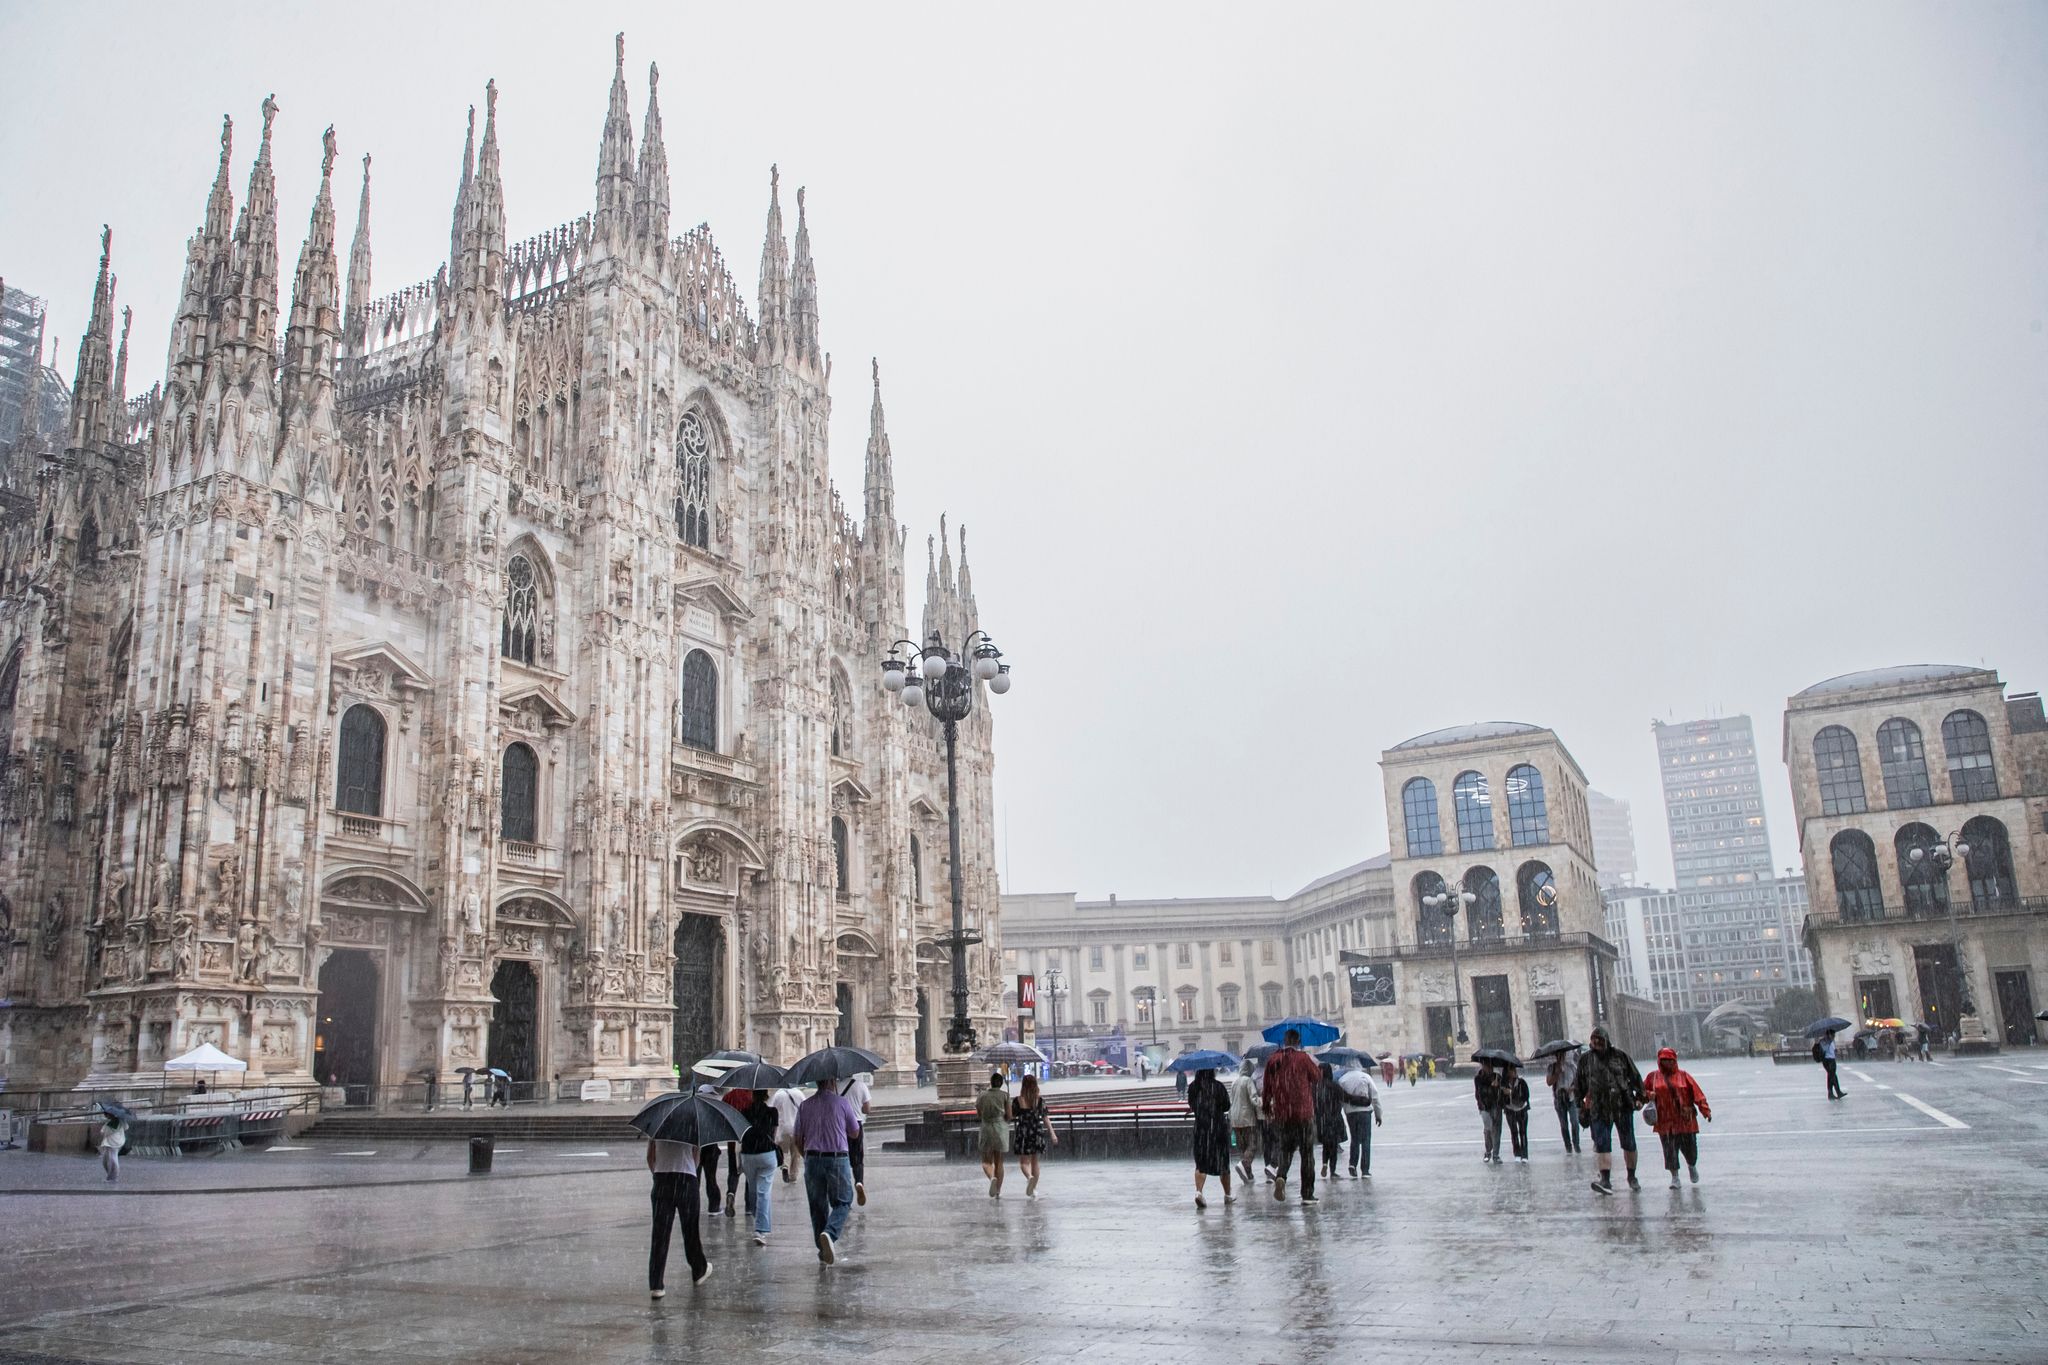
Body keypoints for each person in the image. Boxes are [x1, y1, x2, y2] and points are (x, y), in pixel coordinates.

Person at [794, 1077, 860, 1265]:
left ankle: (822, 1251)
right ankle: (829, 1234)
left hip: (812, 1158)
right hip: (837, 1158)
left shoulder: (805, 1105)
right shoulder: (842, 1102)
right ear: (831, 1081)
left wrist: (807, 1155)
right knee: (843, 1201)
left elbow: (797, 1137)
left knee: (817, 1206)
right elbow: (855, 1132)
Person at [1575, 1024, 1645, 1195]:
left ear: (1606, 1041)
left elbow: (1635, 1077)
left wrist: (1640, 1098)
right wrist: (1581, 1106)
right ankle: (1605, 1180)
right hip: (1599, 1108)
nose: (1596, 1044)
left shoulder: (1620, 1057)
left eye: (1600, 1041)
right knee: (1602, 1144)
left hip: (1622, 1105)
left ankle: (1632, 1177)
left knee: (1629, 1143)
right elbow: (1579, 1085)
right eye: (1594, 1041)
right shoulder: (1586, 1060)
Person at [1261, 1028, 1322, 1204]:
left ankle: (1281, 1176)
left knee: (1286, 1150)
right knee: (1307, 1153)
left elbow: (1267, 1086)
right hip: (1303, 1112)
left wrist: (1267, 1105)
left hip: (1282, 1112)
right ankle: (1307, 1194)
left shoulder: (1273, 1059)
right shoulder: (1303, 1058)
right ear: (1297, 1041)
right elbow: (1317, 1077)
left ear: (1285, 1040)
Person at [646, 1135, 711, 1297]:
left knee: (660, 1235)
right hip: (686, 1179)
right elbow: (696, 1157)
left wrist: (659, 1174)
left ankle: (656, 1284)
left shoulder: (659, 1126)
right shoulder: (692, 1126)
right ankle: (698, 1270)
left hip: (662, 1179)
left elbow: (650, 1157)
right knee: (690, 1231)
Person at [1642, 1047, 1712, 1187]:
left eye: (1670, 1060)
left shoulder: (1684, 1076)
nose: (1667, 1063)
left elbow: (1697, 1094)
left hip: (1685, 1121)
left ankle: (1691, 1166)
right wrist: (1648, 1095)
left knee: (1690, 1149)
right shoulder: (1653, 1077)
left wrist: (1705, 1110)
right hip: (1665, 1122)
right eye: (1664, 1060)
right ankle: (1675, 1177)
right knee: (1669, 1151)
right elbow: (1642, 1092)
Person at [1187, 1065, 1234, 1208]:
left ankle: (1199, 1192)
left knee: (1201, 1163)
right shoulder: (1218, 1086)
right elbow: (1226, 1106)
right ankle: (1227, 1195)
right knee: (1223, 1163)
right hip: (1218, 1128)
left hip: (1201, 1128)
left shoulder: (1193, 1087)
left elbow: (1192, 1105)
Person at [737, 1089, 780, 1245]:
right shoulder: (772, 1112)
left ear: (752, 1095)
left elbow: (741, 1134)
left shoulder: (744, 1112)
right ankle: (760, 1230)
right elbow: (774, 1134)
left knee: (753, 1189)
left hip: (748, 1155)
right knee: (764, 1192)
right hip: (767, 1153)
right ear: (766, 1096)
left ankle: (758, 1220)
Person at [1009, 1073, 1056, 1198]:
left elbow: (1011, 1116)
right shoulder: (1039, 1100)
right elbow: (1046, 1118)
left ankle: (1029, 1177)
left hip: (1023, 1132)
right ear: (1035, 1085)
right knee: (1035, 1162)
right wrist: (1052, 1134)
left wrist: (1008, 1107)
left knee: (1024, 1162)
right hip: (1036, 1132)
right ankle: (1034, 1188)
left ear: (1023, 1085)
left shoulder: (1018, 1100)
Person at [1338, 1064, 1382, 1179]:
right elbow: (1375, 1097)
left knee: (1355, 1139)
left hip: (1351, 1113)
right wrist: (1378, 1115)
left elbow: (1341, 1098)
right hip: (1365, 1112)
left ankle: (1353, 1163)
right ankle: (1365, 1170)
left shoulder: (1342, 1079)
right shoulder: (1365, 1077)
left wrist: (1346, 1110)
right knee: (1366, 1140)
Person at [840, 1071, 874, 1207]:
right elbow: (867, 1109)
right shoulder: (861, 1085)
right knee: (857, 1158)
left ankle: (845, 1191)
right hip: (856, 1125)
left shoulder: (835, 1086)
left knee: (842, 1157)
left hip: (840, 1125)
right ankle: (859, 1181)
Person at [976, 1072, 1011, 1197]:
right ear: (1001, 1083)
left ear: (991, 1082)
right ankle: (998, 1191)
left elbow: (979, 1114)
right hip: (1000, 1129)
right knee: (999, 1162)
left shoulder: (982, 1096)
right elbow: (1009, 1116)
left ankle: (991, 1178)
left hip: (986, 1128)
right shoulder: (1005, 1095)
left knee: (986, 1161)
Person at [1227, 1058, 1261, 1183]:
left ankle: (1248, 1174)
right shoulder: (1248, 1081)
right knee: (1251, 1145)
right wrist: (1264, 1102)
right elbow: (1253, 1099)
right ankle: (1244, 1164)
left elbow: (1232, 1100)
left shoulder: (1235, 1082)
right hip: (1247, 1118)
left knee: (1243, 1147)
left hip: (1235, 1118)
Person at [1313, 1062, 1347, 1181]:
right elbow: (1345, 1098)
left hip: (1321, 1120)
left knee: (1325, 1145)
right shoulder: (1334, 1086)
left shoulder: (1316, 1087)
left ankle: (1324, 1164)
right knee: (1333, 1146)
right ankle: (1333, 1171)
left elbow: (1313, 1104)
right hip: (1334, 1119)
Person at [1546, 1047, 1582, 1153]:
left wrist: (1571, 1089)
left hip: (1571, 1098)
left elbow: (1578, 1081)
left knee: (1575, 1122)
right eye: (1559, 1055)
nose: (1561, 1057)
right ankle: (1568, 1145)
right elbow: (1549, 1082)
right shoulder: (1552, 1067)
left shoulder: (1572, 1066)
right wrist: (1557, 1073)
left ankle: (1576, 1143)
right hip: (1559, 1099)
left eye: (1562, 1054)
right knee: (1563, 1124)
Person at [769, 1084, 804, 1182]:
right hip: (796, 1128)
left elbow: (772, 1110)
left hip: (782, 1127)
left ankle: (785, 1165)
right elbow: (804, 1108)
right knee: (795, 1154)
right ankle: (793, 1176)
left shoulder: (778, 1094)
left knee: (783, 1151)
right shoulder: (799, 1093)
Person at [1474, 1058, 1504, 1164]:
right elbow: (1478, 1092)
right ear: (1483, 1066)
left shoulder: (1497, 1077)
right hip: (1484, 1107)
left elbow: (1502, 1091)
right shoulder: (1478, 1078)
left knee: (1497, 1130)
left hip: (1496, 1105)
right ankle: (1488, 1151)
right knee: (1488, 1129)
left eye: (1490, 1066)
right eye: (1487, 1066)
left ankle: (1496, 1154)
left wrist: (1497, 1086)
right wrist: (1491, 1084)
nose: (1489, 1068)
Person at [1501, 1062, 1531, 1163]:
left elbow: (1526, 1096)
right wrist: (1501, 1092)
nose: (1513, 1072)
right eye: (1510, 1070)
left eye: (1514, 1070)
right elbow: (1501, 1100)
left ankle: (1525, 1155)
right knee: (1514, 1132)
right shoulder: (1503, 1084)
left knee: (1523, 1132)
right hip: (1510, 1110)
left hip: (1521, 1109)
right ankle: (1517, 1153)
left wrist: (1511, 1093)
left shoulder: (1521, 1082)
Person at [1816, 1029, 1846, 1100]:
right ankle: (1835, 1092)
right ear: (1829, 1034)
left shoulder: (1831, 1041)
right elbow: (1824, 1050)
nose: (1834, 1036)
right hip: (1828, 1060)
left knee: (1831, 1077)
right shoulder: (1825, 1041)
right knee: (1832, 1077)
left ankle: (1832, 1093)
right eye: (1833, 1035)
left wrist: (1835, 1050)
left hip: (1831, 1059)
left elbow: (1831, 1050)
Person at [98, 1114, 125, 1184]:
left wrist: (103, 1130)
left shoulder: (113, 1123)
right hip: (112, 1142)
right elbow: (126, 1127)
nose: (105, 1115)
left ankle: (112, 1178)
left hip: (112, 1143)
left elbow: (104, 1132)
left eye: (106, 1114)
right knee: (107, 1160)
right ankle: (111, 1176)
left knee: (112, 1160)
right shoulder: (116, 1121)